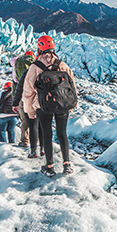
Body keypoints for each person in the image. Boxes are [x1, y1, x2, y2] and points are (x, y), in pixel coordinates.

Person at [23, 35, 77, 177]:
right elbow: (72, 85)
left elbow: (27, 92)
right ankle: (67, 164)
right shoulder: (62, 65)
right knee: (62, 133)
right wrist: (71, 103)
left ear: (39, 49)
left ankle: (50, 165)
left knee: (47, 135)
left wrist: (29, 111)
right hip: (63, 103)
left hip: (43, 105)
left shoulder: (35, 67)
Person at [13, 66, 43, 159]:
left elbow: (19, 88)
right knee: (42, 126)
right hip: (42, 103)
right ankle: (42, 149)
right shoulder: (45, 70)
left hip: (29, 103)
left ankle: (33, 150)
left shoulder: (27, 72)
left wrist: (15, 103)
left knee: (32, 126)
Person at [12, 51, 35, 147]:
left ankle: (24, 141)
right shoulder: (35, 65)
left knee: (24, 120)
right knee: (36, 119)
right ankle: (37, 141)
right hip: (34, 95)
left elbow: (15, 83)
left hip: (22, 96)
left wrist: (15, 101)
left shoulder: (17, 66)